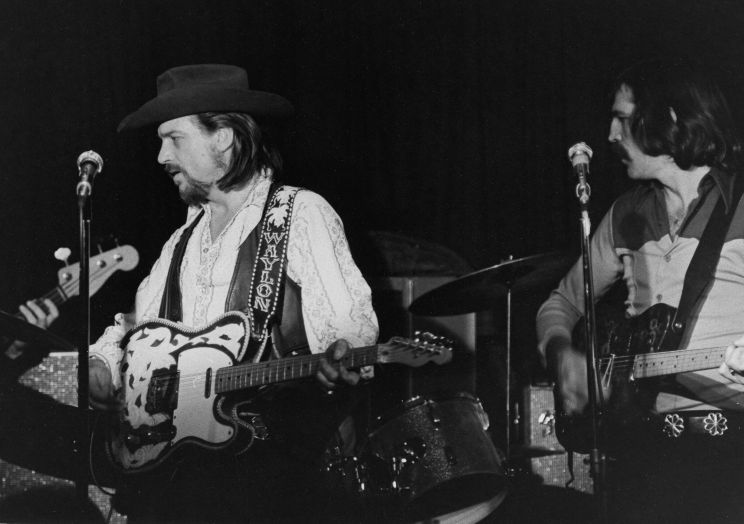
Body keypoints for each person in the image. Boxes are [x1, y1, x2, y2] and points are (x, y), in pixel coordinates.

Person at [87, 64, 379, 522]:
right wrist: (103, 364)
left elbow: (351, 333)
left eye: (174, 138)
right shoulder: (182, 241)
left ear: (222, 137)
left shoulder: (300, 213)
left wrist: (339, 361)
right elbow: (136, 329)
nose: (161, 156)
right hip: (184, 481)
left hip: (277, 478)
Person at [536, 57, 744, 523]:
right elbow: (561, 302)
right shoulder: (625, 214)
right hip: (643, 450)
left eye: (623, 119)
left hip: (732, 452)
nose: (611, 135)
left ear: (669, 117)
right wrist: (562, 353)